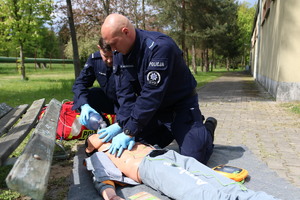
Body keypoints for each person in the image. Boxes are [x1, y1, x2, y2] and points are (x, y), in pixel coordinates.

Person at [99, 13, 217, 164]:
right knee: (137, 147)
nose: (113, 49)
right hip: (154, 111)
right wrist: (122, 124)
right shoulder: (120, 53)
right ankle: (175, 132)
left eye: (114, 44)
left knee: (194, 159)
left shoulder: (159, 48)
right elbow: (125, 94)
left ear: (126, 32)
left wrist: (129, 131)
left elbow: (151, 94)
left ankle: (204, 128)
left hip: (180, 106)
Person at [85, 134, 277, 200]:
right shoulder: (100, 155)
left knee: (226, 185)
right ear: (89, 146)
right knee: (205, 195)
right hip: (151, 167)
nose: (101, 132)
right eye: (94, 135)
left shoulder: (122, 136)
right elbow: (101, 179)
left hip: (170, 155)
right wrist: (112, 197)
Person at [72, 38, 118, 127]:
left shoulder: (124, 58)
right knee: (85, 96)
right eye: (105, 56)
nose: (109, 60)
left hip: (126, 103)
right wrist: (84, 105)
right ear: (99, 48)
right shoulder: (95, 60)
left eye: (112, 56)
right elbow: (80, 84)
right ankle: (102, 125)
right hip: (109, 101)